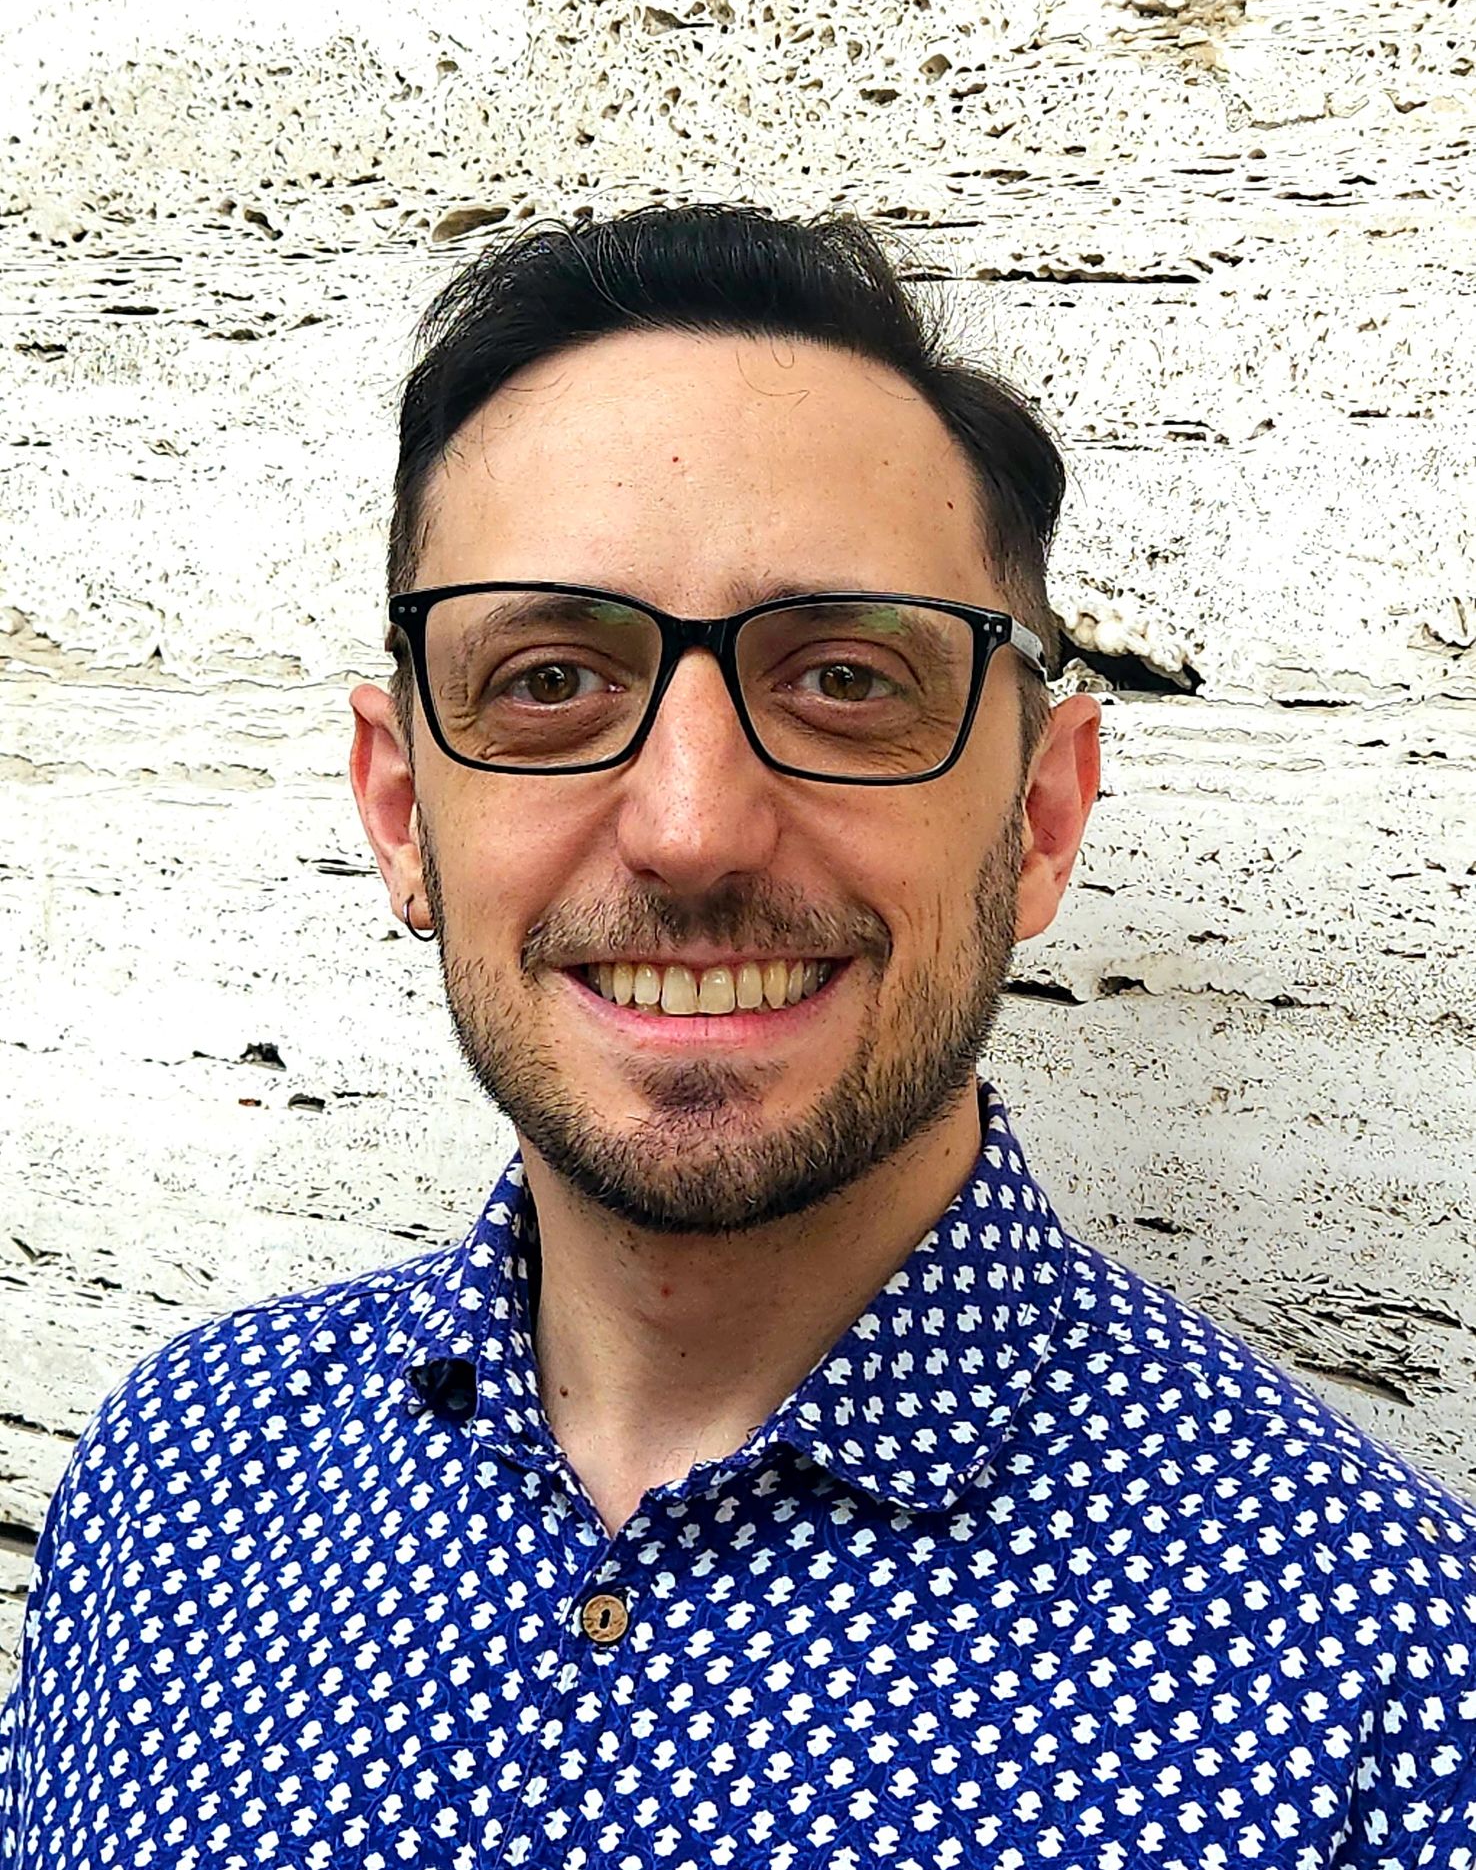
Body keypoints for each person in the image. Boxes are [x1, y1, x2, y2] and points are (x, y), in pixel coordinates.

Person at [3, 205, 1473, 1870]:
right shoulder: (167, 1484)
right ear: (404, 810)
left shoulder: (1390, 1689)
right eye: (550, 677)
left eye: (845, 679)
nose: (693, 826)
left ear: (1044, 816)